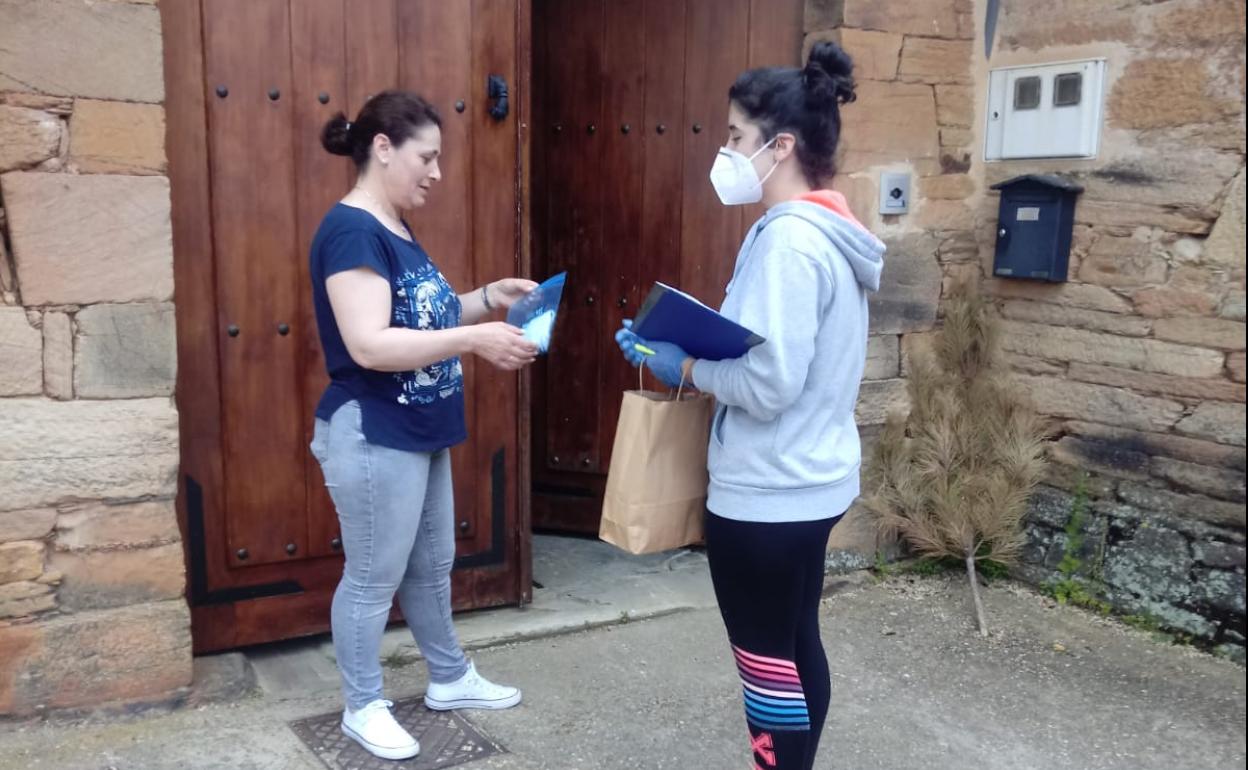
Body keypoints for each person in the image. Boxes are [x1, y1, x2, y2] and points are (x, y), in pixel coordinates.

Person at [615, 42, 885, 770]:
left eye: (735, 137)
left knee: (767, 664)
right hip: (814, 480)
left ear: (781, 145)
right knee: (796, 643)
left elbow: (769, 385)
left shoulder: (790, 243)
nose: (726, 151)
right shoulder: (831, 232)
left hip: (767, 494)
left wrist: (687, 364)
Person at [309, 90, 535, 761]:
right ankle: (362, 704)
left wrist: (487, 298)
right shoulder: (353, 230)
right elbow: (370, 344)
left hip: (418, 426)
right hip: (374, 427)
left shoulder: (396, 226)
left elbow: (421, 319)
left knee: (432, 566)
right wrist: (476, 341)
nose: (437, 172)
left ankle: (448, 678)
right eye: (426, 157)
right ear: (383, 148)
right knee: (374, 576)